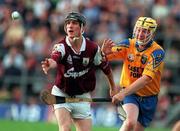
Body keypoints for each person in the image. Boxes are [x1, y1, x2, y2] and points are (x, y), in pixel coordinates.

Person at [41, 12, 117, 131]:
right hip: (62, 94)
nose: (70, 26)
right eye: (68, 23)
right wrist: (50, 63)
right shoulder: (61, 46)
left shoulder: (92, 48)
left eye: (75, 23)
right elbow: (55, 58)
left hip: (82, 97)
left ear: (82, 28)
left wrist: (113, 87)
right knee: (65, 129)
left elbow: (106, 68)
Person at [101, 17, 165, 131]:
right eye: (139, 30)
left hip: (149, 98)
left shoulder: (158, 52)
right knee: (130, 122)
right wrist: (102, 53)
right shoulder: (128, 44)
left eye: (145, 31)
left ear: (152, 33)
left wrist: (122, 94)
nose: (140, 34)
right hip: (131, 94)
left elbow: (146, 79)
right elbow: (104, 58)